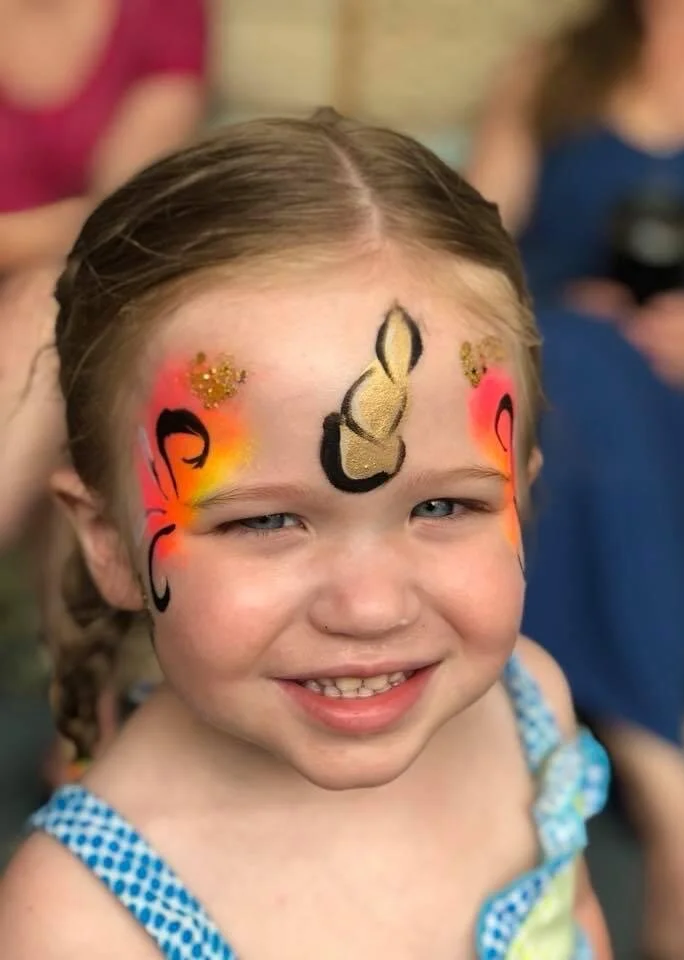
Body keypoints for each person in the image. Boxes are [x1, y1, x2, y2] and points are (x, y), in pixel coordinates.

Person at [0, 112, 611, 959]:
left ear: (519, 491)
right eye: (264, 519)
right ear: (108, 542)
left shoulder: (528, 710)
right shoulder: (79, 924)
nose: (369, 607)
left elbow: (575, 917)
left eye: (443, 508)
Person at [467, 2, 684, 957]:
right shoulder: (556, 65)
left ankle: (654, 776)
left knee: (583, 397)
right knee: (574, 359)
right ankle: (676, 799)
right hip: (564, 401)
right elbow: (466, 245)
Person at [0, 0, 208, 783]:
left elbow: (121, 211)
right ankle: (86, 735)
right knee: (69, 405)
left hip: (74, 308)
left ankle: (85, 732)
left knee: (53, 325)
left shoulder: (162, 14)